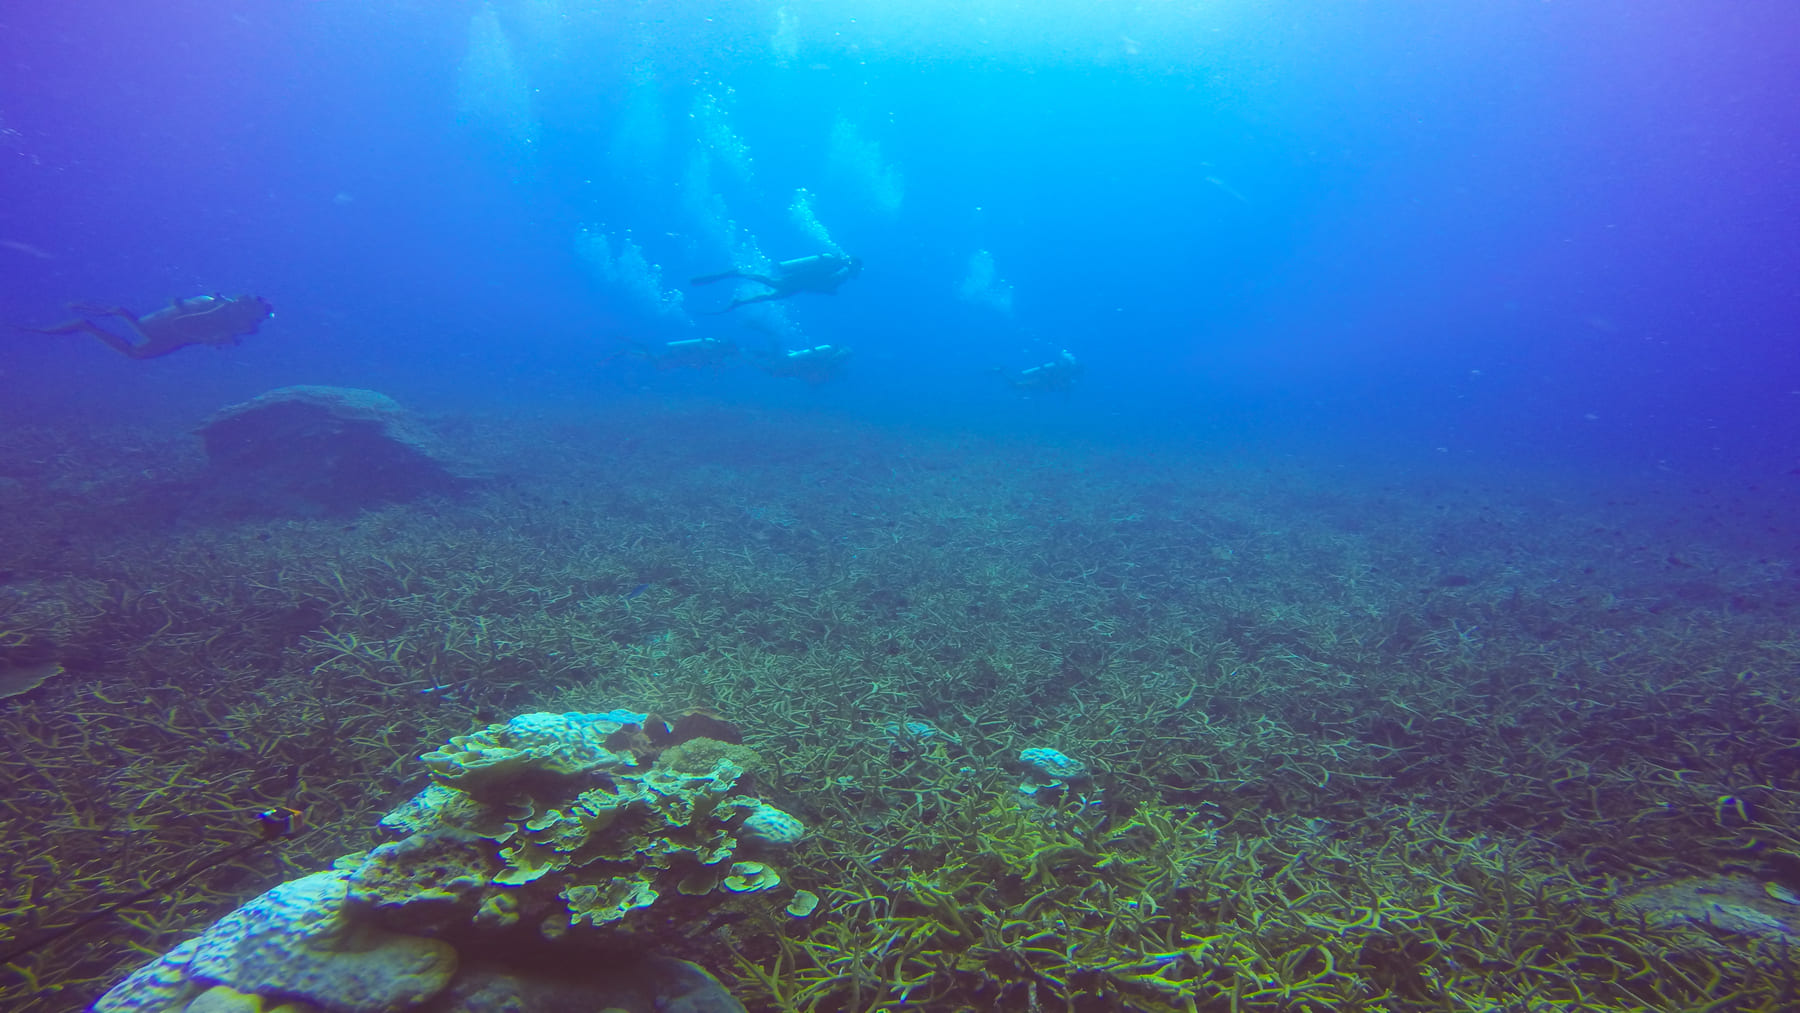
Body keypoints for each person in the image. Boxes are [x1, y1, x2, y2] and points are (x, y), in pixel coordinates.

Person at [23, 294, 273, 359]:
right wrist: (205, 340)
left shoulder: (233, 317)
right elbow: (182, 323)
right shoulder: (221, 310)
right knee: (140, 338)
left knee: (136, 353)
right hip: (171, 332)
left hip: (176, 337)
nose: (258, 323)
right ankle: (97, 321)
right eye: (261, 316)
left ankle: (89, 325)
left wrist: (216, 339)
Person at [690, 253, 862, 314]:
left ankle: (740, 300)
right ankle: (739, 274)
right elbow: (827, 284)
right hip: (799, 281)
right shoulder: (842, 270)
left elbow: (825, 284)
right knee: (773, 286)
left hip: (800, 283)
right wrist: (830, 291)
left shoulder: (839, 266)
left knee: (773, 295)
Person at [1001, 349, 1084, 392]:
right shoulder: (1067, 370)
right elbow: (1058, 378)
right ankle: (1003, 374)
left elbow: (1060, 379)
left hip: (1045, 378)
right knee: (1024, 384)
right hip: (1044, 378)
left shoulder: (1067, 369)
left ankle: (1005, 375)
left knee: (1026, 385)